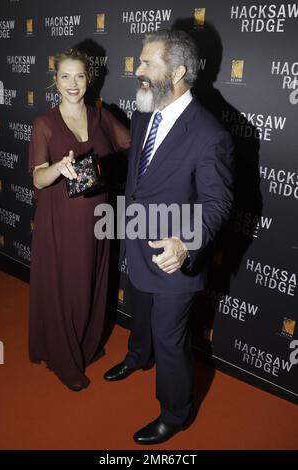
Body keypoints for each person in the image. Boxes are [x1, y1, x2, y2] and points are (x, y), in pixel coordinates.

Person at [104, 30, 234, 444]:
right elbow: (139, 179)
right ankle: (137, 357)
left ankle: (175, 412)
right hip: (137, 242)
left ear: (177, 71)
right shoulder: (145, 111)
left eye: (146, 63)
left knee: (171, 338)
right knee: (139, 314)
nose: (136, 69)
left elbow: (217, 204)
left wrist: (185, 242)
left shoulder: (210, 134)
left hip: (174, 257)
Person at [29, 48, 130, 391]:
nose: (73, 84)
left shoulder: (102, 118)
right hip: (60, 222)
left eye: (80, 76)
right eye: (65, 76)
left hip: (97, 218)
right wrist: (56, 167)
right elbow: (37, 179)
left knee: (92, 282)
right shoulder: (44, 124)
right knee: (66, 287)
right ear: (55, 80)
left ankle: (85, 344)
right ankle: (63, 358)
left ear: (90, 79)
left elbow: (130, 142)